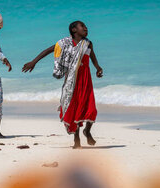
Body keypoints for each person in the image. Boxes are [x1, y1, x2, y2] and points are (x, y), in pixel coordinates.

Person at [22, 21, 103, 149]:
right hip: (72, 81)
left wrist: (98, 67)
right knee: (74, 107)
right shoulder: (64, 43)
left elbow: (92, 56)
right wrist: (34, 62)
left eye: (86, 26)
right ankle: (76, 139)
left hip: (86, 80)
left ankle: (87, 130)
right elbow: (48, 50)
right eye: (82, 26)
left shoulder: (88, 43)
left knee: (91, 108)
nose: (86, 28)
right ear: (74, 30)